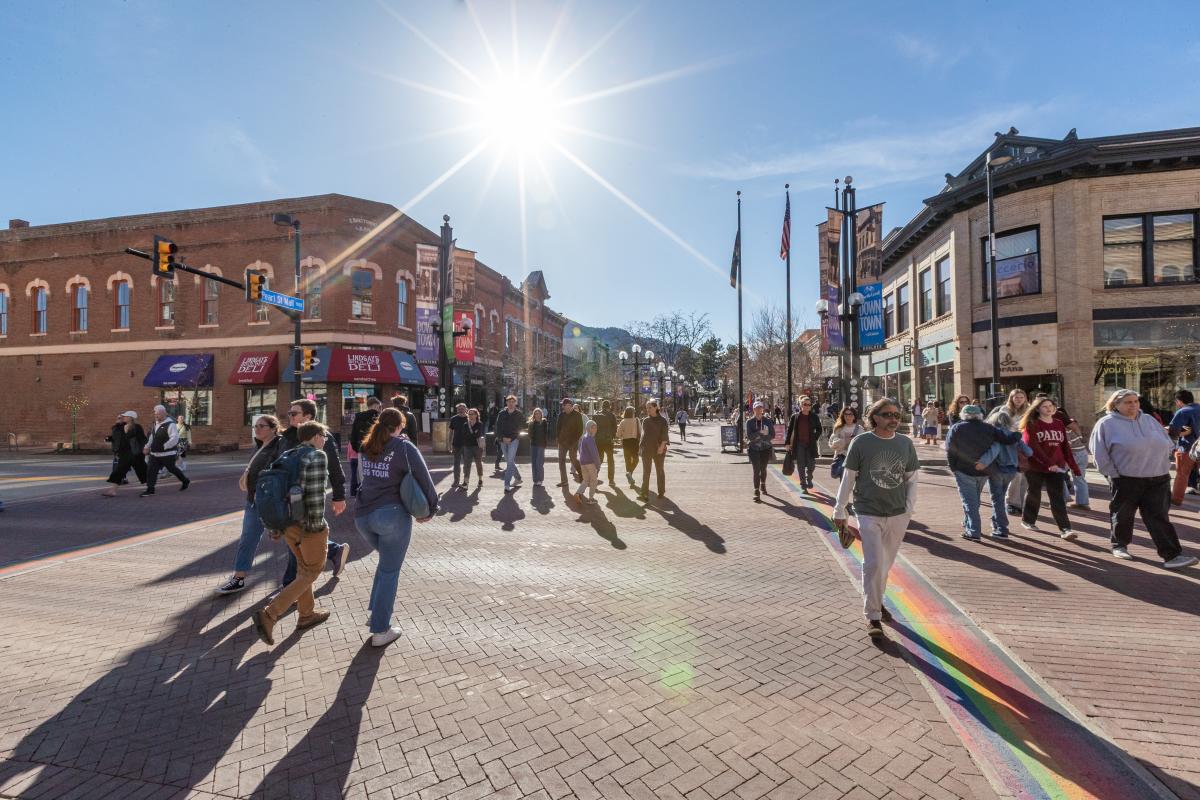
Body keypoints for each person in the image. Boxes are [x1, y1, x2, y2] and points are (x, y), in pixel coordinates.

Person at [832, 398, 920, 640]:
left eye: (897, 414)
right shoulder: (862, 442)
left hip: (897, 513)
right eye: (888, 414)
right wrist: (840, 510)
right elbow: (848, 478)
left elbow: (912, 478)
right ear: (875, 417)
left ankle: (877, 601)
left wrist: (908, 510)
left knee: (885, 565)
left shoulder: (904, 443)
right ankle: (872, 616)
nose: (894, 419)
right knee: (873, 563)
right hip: (867, 511)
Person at [354, 408, 439, 646]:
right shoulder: (404, 447)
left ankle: (376, 613)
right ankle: (381, 630)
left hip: (363, 516)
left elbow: (361, 479)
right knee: (390, 571)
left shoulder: (366, 446)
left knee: (385, 565)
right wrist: (432, 508)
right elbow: (424, 478)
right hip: (391, 515)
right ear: (400, 425)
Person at [1090, 389, 1198, 569]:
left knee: (1159, 518)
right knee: (1123, 515)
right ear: (1115, 405)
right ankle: (1119, 545)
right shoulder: (1106, 424)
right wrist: (1113, 475)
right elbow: (1099, 453)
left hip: (1158, 478)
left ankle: (1172, 556)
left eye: (1135, 401)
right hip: (1126, 478)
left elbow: (1167, 442)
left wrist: (1164, 462)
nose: (1133, 405)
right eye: (1127, 402)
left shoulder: (1149, 420)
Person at [251, 421, 335, 645]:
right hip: (308, 525)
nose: (325, 441)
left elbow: (272, 492)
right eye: (324, 436)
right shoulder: (316, 456)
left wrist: (274, 527)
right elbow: (316, 497)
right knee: (312, 571)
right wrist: (317, 527)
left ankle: (306, 615)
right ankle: (270, 614)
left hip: (286, 522)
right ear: (316, 436)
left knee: (301, 569)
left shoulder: (288, 455)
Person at [280, 399, 350, 585]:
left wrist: (339, 496)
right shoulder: (286, 436)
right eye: (289, 413)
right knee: (298, 537)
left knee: (298, 539)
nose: (289, 417)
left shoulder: (321, 438)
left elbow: (335, 469)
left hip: (305, 498)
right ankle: (334, 551)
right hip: (286, 496)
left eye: (294, 414)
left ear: (307, 416)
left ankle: (290, 584)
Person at [217, 415, 285, 596]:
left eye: (261, 426)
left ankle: (331, 550)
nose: (257, 429)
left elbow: (278, 472)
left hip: (271, 502)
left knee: (296, 537)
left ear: (273, 428)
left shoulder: (279, 445)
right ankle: (239, 578)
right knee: (248, 537)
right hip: (253, 501)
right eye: (255, 426)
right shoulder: (259, 446)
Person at [945, 405, 1024, 541]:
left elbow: (950, 449)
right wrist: (1018, 433)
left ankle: (973, 531)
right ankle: (970, 525)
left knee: (969, 501)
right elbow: (1008, 439)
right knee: (974, 500)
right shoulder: (989, 428)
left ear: (963, 415)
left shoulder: (957, 428)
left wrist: (953, 467)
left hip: (964, 469)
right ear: (980, 415)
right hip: (984, 471)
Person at [1019, 396, 1080, 540]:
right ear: (1037, 409)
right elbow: (1032, 446)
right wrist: (1047, 464)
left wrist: (1074, 467)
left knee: (1057, 498)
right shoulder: (1032, 424)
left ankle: (1065, 529)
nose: (1049, 408)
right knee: (1034, 493)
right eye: (1045, 406)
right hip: (1036, 467)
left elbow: (1065, 447)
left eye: (1051, 406)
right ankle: (1028, 520)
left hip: (1057, 467)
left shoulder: (1059, 423)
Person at [979, 407, 1033, 539]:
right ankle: (996, 522)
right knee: (1000, 498)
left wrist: (982, 463)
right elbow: (1029, 452)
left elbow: (993, 452)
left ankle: (1002, 528)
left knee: (996, 499)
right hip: (1012, 471)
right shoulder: (1015, 436)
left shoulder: (994, 436)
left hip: (997, 470)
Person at [140, 404, 190, 496]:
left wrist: (164, 446)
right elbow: (153, 436)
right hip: (155, 454)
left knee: (172, 469)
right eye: (155, 414)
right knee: (151, 470)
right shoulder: (156, 423)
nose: (156, 416)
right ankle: (150, 489)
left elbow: (174, 438)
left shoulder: (170, 424)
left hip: (168, 454)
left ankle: (185, 480)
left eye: (158, 414)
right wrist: (147, 446)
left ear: (164, 413)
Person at [102, 411, 147, 497]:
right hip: (125, 454)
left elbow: (142, 439)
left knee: (142, 471)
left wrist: (145, 449)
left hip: (135, 454)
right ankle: (112, 491)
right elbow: (118, 437)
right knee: (119, 471)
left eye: (126, 416)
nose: (124, 417)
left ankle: (150, 487)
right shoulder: (121, 426)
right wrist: (110, 437)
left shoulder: (137, 427)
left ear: (131, 418)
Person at [1000, 389, 1031, 513]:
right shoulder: (1005, 410)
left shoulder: (1029, 411)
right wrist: (1018, 428)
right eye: (1016, 397)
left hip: (1025, 445)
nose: (1019, 400)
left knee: (1024, 475)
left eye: (1021, 397)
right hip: (1011, 445)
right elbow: (1004, 427)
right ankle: (1012, 503)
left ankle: (1021, 504)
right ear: (1011, 398)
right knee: (1015, 475)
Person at [1168, 389, 1200, 502]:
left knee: (1182, 474)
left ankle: (1176, 499)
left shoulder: (1183, 411)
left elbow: (1173, 431)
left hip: (1187, 447)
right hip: (1198, 446)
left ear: (1179, 401)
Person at [784, 396, 820, 492]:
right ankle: (803, 485)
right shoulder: (795, 417)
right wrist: (787, 443)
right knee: (801, 465)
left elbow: (819, 429)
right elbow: (790, 430)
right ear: (800, 405)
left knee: (811, 464)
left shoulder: (814, 416)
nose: (807, 406)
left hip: (810, 444)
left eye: (809, 404)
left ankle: (809, 478)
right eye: (805, 404)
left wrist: (814, 437)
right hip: (799, 444)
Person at [348, 396, 381, 497]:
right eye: (379, 406)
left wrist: (357, 448)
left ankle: (363, 496)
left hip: (361, 450)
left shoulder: (358, 417)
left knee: (362, 475)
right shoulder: (379, 417)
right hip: (376, 451)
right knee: (376, 474)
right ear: (376, 405)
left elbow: (353, 436)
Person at [638, 399, 670, 502]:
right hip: (646, 449)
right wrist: (640, 448)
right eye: (647, 408)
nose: (647, 410)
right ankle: (644, 493)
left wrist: (661, 447)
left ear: (656, 407)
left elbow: (665, 435)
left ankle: (661, 491)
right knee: (646, 472)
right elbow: (643, 436)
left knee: (659, 471)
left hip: (658, 450)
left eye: (650, 407)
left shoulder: (663, 421)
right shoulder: (646, 420)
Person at [746, 401, 774, 502]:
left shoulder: (767, 421)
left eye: (760, 408)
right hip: (754, 449)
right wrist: (759, 433)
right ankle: (756, 491)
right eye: (757, 408)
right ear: (753, 409)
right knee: (756, 470)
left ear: (763, 409)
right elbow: (750, 436)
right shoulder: (749, 422)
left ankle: (763, 484)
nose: (759, 410)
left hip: (765, 448)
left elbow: (772, 435)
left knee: (763, 469)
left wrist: (763, 436)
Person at [495, 395, 524, 493]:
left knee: (510, 461)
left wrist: (511, 438)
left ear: (515, 403)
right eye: (509, 402)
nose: (511, 404)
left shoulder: (519, 414)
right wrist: (502, 438)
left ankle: (507, 484)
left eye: (513, 402)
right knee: (509, 461)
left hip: (514, 440)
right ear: (506, 403)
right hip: (503, 439)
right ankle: (518, 478)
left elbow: (520, 428)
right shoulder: (501, 413)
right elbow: (497, 427)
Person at [828, 406, 864, 479]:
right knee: (843, 480)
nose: (848, 417)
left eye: (850, 414)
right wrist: (843, 441)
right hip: (842, 457)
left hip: (855, 459)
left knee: (855, 480)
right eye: (846, 414)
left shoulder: (859, 429)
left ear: (854, 416)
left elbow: (864, 445)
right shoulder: (839, 428)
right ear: (843, 416)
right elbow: (831, 443)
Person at [556, 397, 584, 488]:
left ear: (571, 406)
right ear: (563, 406)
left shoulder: (577, 415)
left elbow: (580, 430)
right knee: (561, 461)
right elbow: (558, 428)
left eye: (568, 406)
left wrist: (574, 441)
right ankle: (564, 481)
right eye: (564, 406)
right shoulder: (561, 415)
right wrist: (559, 439)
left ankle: (581, 476)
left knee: (573, 459)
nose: (566, 407)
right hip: (562, 442)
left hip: (573, 442)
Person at [1064, 417, 1091, 509]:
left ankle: (1064, 498)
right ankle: (1083, 502)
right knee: (1080, 478)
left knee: (1058, 475)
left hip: (1073, 454)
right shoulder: (1074, 428)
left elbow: (1067, 445)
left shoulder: (1065, 429)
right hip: (1083, 453)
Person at [574, 420, 601, 505]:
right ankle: (591, 498)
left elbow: (580, 450)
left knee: (586, 480)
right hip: (590, 463)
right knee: (594, 481)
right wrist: (598, 464)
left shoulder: (584, 437)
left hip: (583, 463)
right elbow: (594, 453)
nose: (595, 429)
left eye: (596, 427)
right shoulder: (590, 438)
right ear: (589, 428)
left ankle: (578, 493)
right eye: (593, 427)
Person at [592, 400, 618, 484]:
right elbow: (615, 428)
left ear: (602, 406)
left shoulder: (596, 415)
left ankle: (594, 475)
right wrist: (612, 437)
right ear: (609, 406)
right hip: (608, 440)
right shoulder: (611, 415)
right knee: (610, 460)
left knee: (599, 459)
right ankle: (611, 480)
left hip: (598, 440)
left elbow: (593, 427)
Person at [448, 403, 471, 490]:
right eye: (459, 409)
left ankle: (465, 481)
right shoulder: (453, 419)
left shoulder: (470, 418)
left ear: (466, 409)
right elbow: (450, 432)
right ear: (457, 410)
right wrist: (449, 444)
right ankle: (456, 481)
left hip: (467, 445)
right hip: (456, 444)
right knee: (456, 463)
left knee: (466, 464)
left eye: (463, 408)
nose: (461, 410)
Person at [616, 407, 640, 488]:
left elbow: (618, 434)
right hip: (635, 442)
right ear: (633, 412)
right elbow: (640, 431)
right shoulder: (637, 420)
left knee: (627, 460)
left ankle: (629, 474)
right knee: (636, 459)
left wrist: (623, 434)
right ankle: (629, 473)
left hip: (626, 442)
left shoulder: (623, 421)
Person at [462, 408, 485, 489]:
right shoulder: (465, 424)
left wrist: (471, 435)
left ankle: (480, 479)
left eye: (472, 414)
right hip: (467, 447)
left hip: (478, 447)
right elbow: (464, 436)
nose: (471, 416)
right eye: (469, 414)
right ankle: (465, 482)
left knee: (478, 463)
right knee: (467, 464)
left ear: (476, 415)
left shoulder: (480, 424)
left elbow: (479, 434)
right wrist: (474, 434)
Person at [527, 408, 549, 485]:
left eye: (539, 413)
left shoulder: (544, 422)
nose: (537, 415)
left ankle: (540, 479)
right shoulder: (531, 423)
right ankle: (535, 480)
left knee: (539, 463)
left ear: (541, 414)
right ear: (534, 415)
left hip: (541, 445)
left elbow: (546, 433)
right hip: (533, 445)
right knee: (534, 462)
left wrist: (545, 443)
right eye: (536, 413)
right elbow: (529, 435)